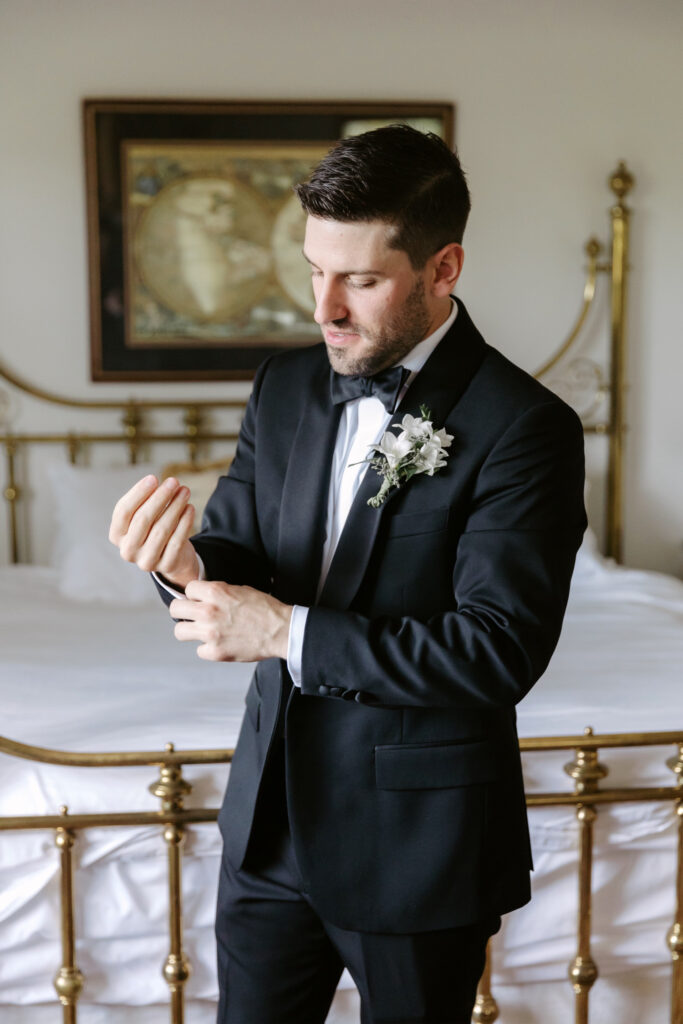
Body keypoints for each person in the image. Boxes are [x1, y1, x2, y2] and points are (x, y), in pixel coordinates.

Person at [109, 124, 587, 1024]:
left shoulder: (527, 427)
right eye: (312, 270)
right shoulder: (283, 386)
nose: (324, 307)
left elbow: (496, 650)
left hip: (418, 847)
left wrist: (283, 632)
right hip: (267, 829)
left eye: (360, 281)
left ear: (443, 269)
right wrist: (182, 566)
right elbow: (240, 555)